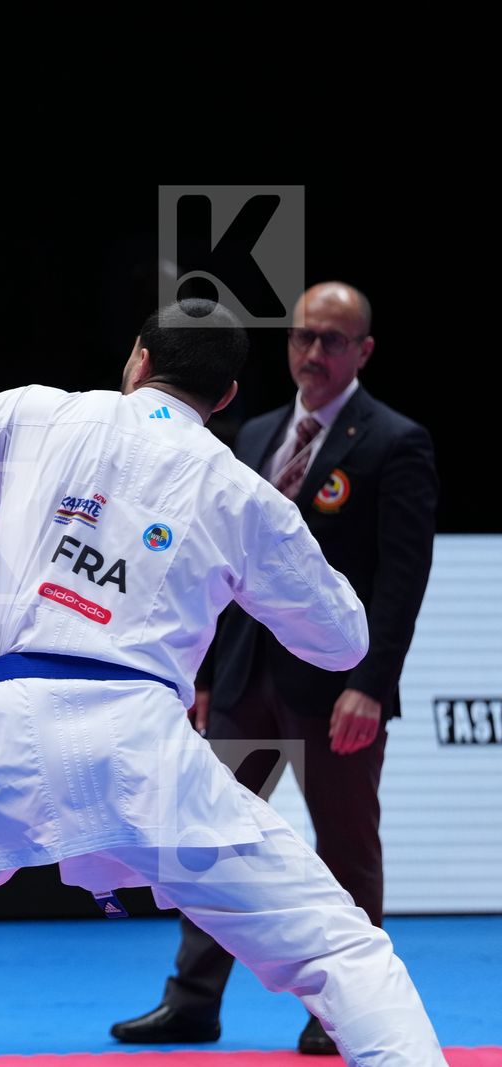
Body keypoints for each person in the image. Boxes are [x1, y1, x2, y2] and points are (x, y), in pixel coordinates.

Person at [0, 300, 441, 1065]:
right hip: (143, 751)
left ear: (136, 357)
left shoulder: (41, 415)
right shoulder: (238, 488)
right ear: (226, 398)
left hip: (7, 736)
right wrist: (253, 562)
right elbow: (342, 641)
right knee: (339, 944)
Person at [111, 282, 439, 1055]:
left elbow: (401, 581)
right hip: (240, 679)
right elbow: (220, 562)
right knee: (207, 840)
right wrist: (201, 673)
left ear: (363, 351)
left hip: (334, 691)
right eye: (301, 337)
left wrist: (371, 683)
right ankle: (192, 1000)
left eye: (331, 340)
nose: (312, 353)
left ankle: (340, 1017)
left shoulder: (395, 441)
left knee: (345, 847)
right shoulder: (253, 430)